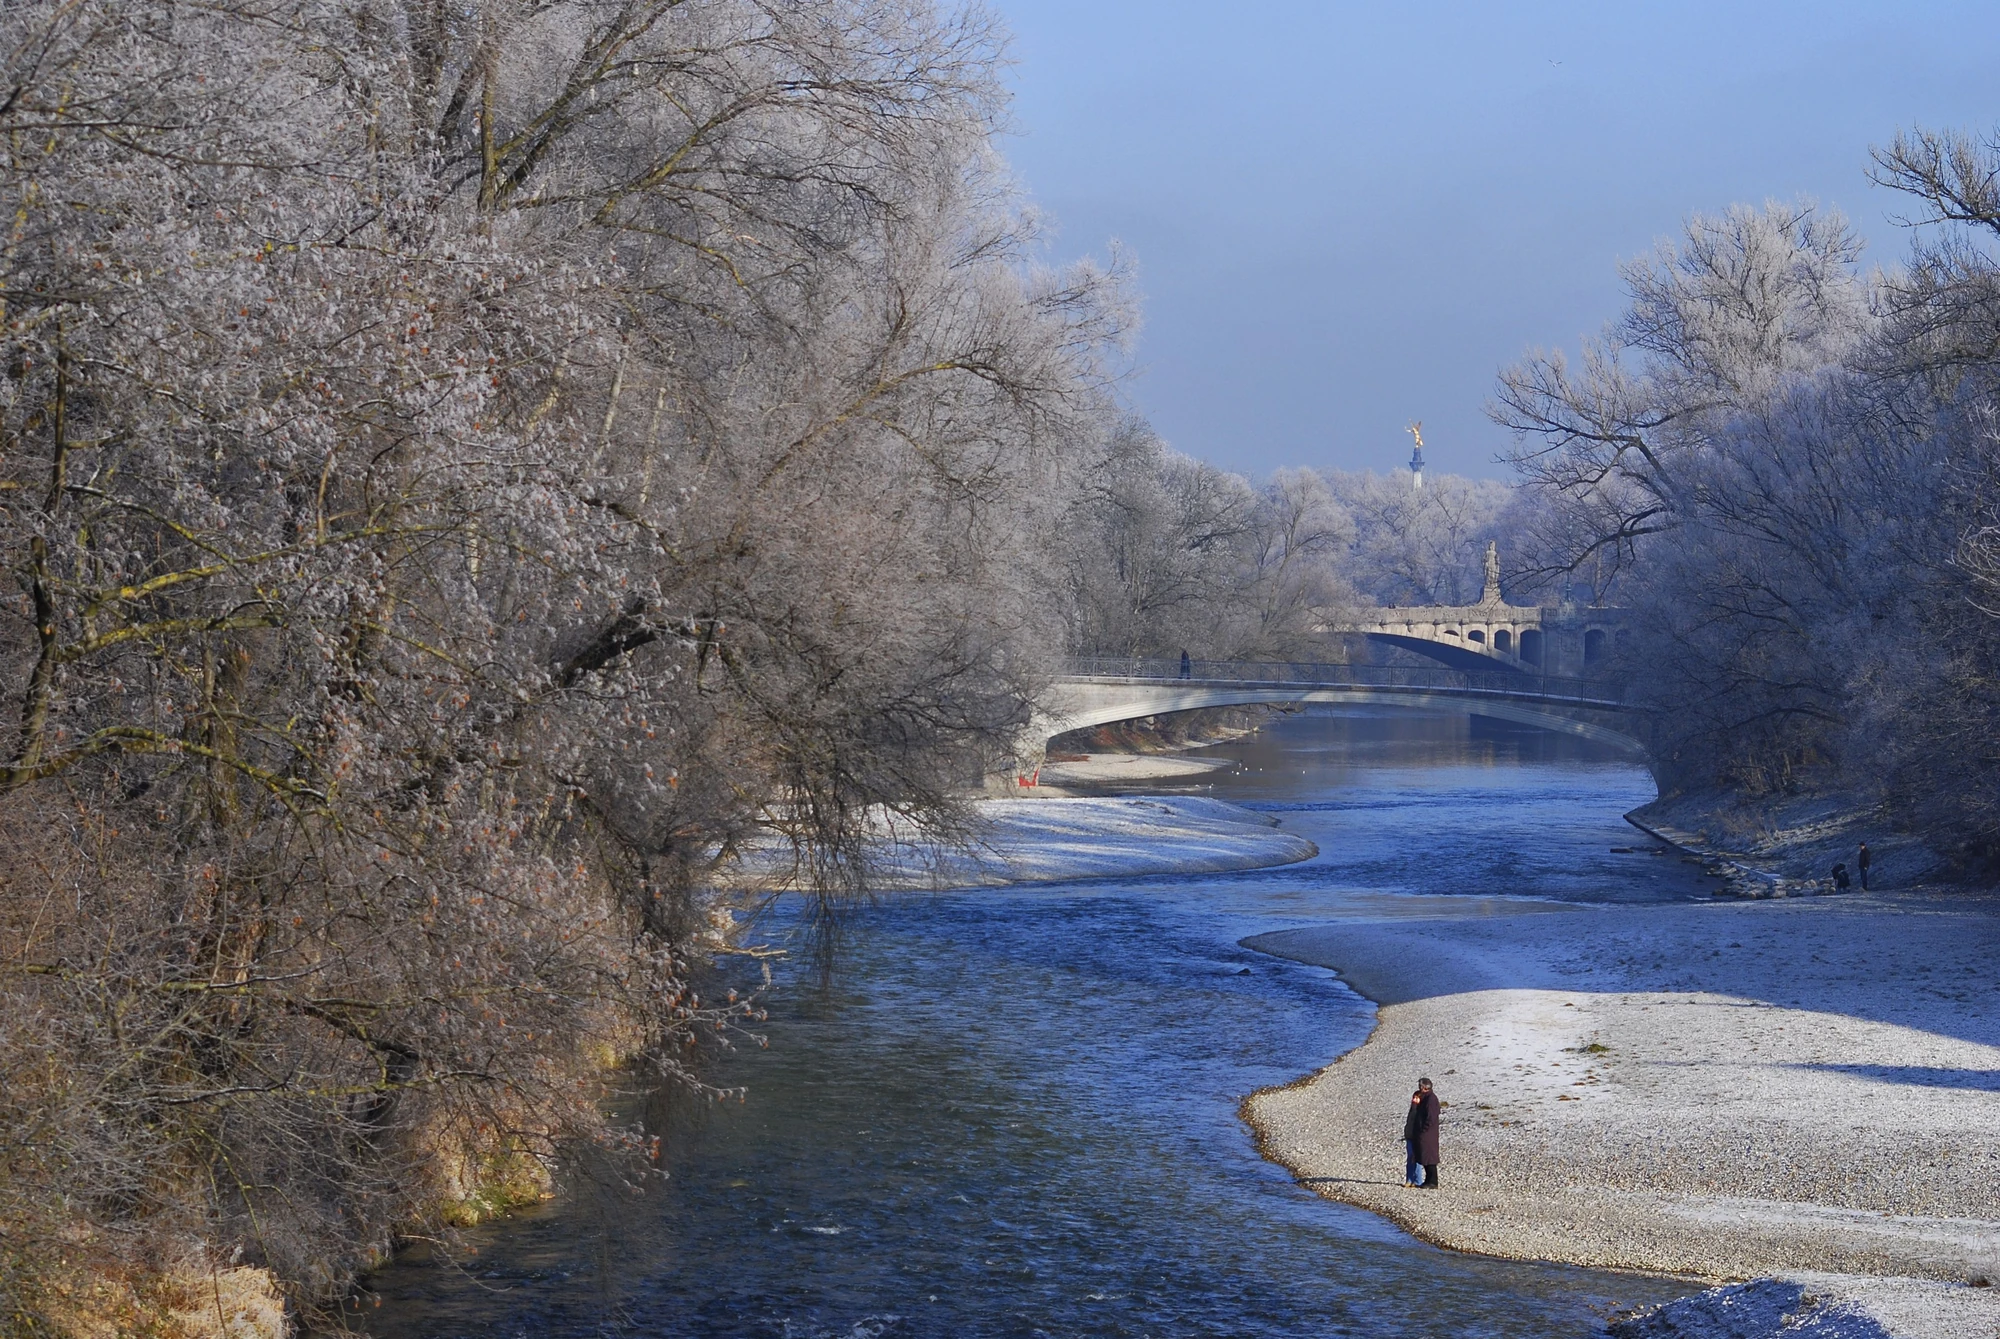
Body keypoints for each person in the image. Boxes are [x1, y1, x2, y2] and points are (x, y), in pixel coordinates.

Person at [1403, 1077, 1442, 1189]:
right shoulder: (1424, 1098)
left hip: (1428, 1134)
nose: (1419, 1088)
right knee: (1425, 1157)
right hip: (1423, 1133)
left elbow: (1431, 1117)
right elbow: (1414, 1114)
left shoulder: (1431, 1099)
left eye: (1421, 1086)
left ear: (1425, 1087)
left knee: (1430, 1158)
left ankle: (1433, 1182)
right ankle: (1428, 1180)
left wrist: (1424, 1129)